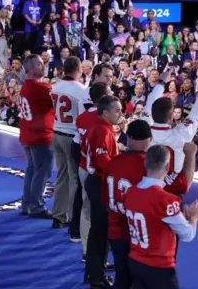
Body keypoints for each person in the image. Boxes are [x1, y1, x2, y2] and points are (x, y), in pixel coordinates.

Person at [124, 145, 198, 289]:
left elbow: (152, 217)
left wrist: (183, 216)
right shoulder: (166, 200)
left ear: (146, 163)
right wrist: (194, 218)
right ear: (168, 166)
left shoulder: (131, 192)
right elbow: (188, 235)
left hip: (135, 261)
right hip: (158, 267)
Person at [140, 67, 198, 195]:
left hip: (143, 186)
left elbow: (150, 101)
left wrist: (161, 83)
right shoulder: (180, 135)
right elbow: (197, 113)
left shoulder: (143, 128)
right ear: (171, 116)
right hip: (171, 193)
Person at [102, 120, 153, 289]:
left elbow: (104, 197)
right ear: (150, 139)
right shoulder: (149, 167)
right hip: (140, 233)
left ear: (128, 137)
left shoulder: (112, 162)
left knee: (122, 276)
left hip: (116, 228)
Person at [84, 95, 124, 288]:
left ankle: (94, 273)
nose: (121, 113)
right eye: (117, 110)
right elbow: (104, 163)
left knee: (98, 231)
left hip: (98, 182)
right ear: (105, 112)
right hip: (100, 184)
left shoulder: (103, 128)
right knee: (100, 232)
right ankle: (96, 277)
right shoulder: (102, 131)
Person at [74, 82, 111, 259]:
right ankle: (98, 252)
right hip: (98, 171)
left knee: (86, 209)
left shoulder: (81, 117)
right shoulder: (103, 120)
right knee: (102, 212)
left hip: (83, 167)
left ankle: (86, 250)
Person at [49, 56, 85, 228]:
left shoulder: (55, 87)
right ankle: (73, 217)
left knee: (61, 176)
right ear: (78, 70)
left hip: (56, 133)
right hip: (71, 135)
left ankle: (58, 214)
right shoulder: (80, 90)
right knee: (74, 178)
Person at [18, 54, 54, 219]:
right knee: (42, 172)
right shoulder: (42, 88)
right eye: (40, 65)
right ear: (30, 69)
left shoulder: (25, 87)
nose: (43, 66)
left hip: (27, 135)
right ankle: (37, 206)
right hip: (40, 137)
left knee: (32, 170)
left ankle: (27, 204)